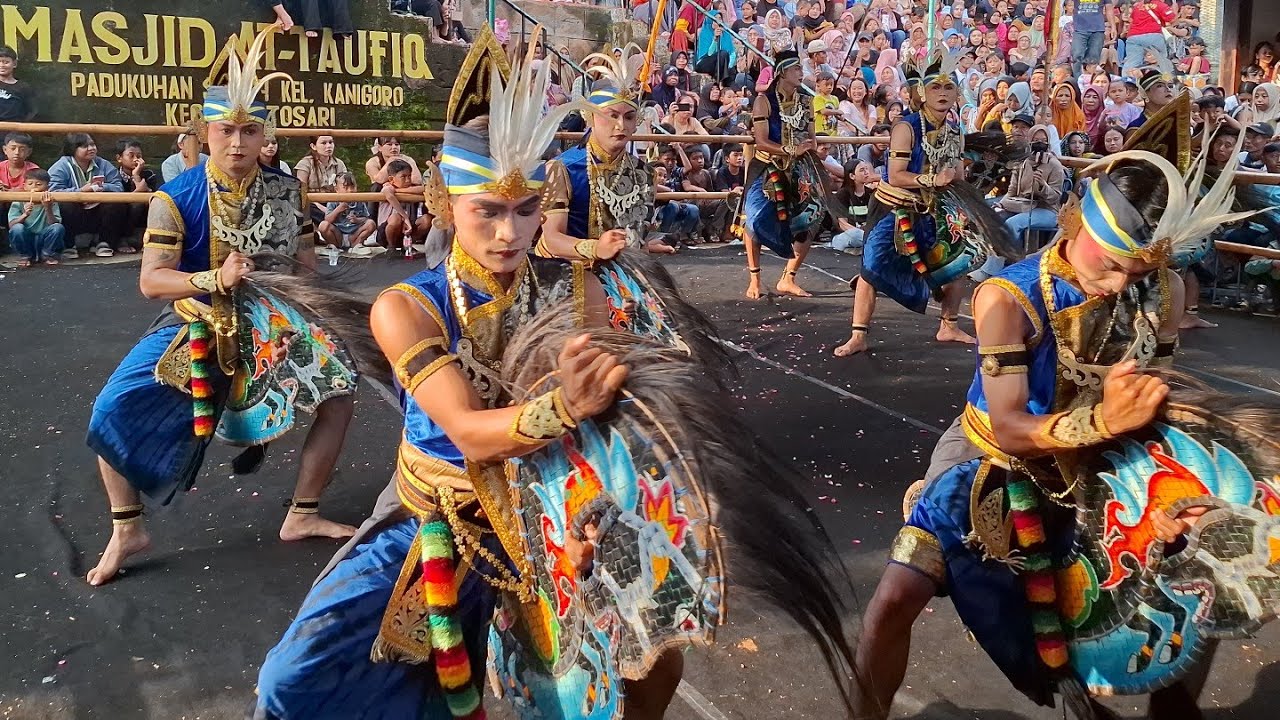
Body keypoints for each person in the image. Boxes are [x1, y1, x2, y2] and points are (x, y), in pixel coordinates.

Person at [850, 143, 1260, 720]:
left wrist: (1177, 485)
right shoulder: (1007, 299)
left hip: (1104, 465)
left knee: (1196, 573)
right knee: (894, 600)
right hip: (987, 460)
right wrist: (1103, 419)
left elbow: (1157, 403)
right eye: (1114, 263)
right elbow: (1012, 427)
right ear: (1077, 220)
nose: (1121, 285)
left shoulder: (1161, 293)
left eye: (1138, 271)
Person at [83, 26, 363, 587]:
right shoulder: (175, 196)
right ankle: (127, 526)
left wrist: (302, 313)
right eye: (225, 129)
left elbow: (304, 265)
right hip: (194, 318)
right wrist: (216, 277)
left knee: (341, 391)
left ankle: (302, 513)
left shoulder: (288, 193)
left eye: (249, 130)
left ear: (267, 134)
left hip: (274, 322)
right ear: (204, 131)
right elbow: (152, 282)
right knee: (109, 409)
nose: (237, 143)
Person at [834, 49, 980, 357]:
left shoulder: (955, 132)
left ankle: (949, 325)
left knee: (958, 262)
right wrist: (931, 181)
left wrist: (968, 198)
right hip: (892, 208)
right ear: (923, 93)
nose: (942, 93)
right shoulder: (906, 128)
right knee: (871, 269)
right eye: (935, 87)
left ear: (957, 93)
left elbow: (957, 175)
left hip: (932, 211)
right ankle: (858, 335)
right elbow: (898, 175)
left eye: (948, 87)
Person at [539, 45, 673, 260]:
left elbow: (634, 235)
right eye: (611, 115)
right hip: (569, 274)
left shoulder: (644, 173)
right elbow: (552, 239)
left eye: (629, 117)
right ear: (589, 117)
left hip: (624, 272)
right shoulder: (562, 169)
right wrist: (595, 249)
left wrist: (642, 246)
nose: (620, 125)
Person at [742, 49, 825, 299]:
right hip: (768, 166)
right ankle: (754, 278)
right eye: (796, 69)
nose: (801, 73)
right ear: (782, 73)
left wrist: (810, 148)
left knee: (811, 217)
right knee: (756, 219)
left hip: (800, 168)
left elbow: (811, 137)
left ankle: (788, 278)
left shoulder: (806, 101)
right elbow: (761, 141)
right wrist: (790, 149)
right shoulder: (764, 101)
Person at [46, 133, 125, 259]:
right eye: (84, 146)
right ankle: (69, 244)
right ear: (72, 149)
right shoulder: (61, 166)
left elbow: (119, 187)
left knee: (114, 202)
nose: (91, 148)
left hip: (99, 212)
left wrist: (102, 188)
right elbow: (53, 190)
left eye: (92, 144)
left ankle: (104, 243)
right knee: (65, 203)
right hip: (74, 214)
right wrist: (80, 191)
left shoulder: (104, 164)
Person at [994, 124, 1066, 250]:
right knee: (994, 218)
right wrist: (1001, 204)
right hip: (1022, 206)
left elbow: (1055, 198)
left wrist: (1043, 186)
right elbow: (1012, 191)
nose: (1040, 144)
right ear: (1029, 141)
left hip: (1047, 210)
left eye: (1044, 141)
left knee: (1013, 223)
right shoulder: (1022, 163)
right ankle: (993, 258)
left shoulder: (1055, 165)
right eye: (1037, 141)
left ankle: (1011, 260)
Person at [7, 169, 63, 267]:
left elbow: (54, 224)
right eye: (30, 184)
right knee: (17, 228)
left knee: (58, 227)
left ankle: (47, 255)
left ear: (47, 187)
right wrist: (24, 215)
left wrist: (47, 208)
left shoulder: (50, 201)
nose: (34, 187)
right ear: (24, 185)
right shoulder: (19, 200)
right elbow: (11, 225)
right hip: (26, 237)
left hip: (43, 237)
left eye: (38, 184)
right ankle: (24, 256)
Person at [294, 134, 348, 227]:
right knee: (307, 206)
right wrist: (319, 205)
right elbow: (300, 191)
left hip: (334, 202)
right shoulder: (305, 163)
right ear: (313, 146)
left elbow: (346, 187)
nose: (328, 146)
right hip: (312, 203)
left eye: (331, 142)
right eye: (324, 143)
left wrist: (335, 207)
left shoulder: (339, 164)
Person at [318, 171, 375, 250]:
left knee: (371, 223)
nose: (350, 190)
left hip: (354, 233)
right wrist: (337, 210)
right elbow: (327, 219)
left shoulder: (359, 200)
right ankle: (333, 245)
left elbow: (366, 218)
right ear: (337, 189)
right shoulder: (333, 200)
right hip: (338, 233)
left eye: (352, 187)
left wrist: (357, 220)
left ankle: (356, 245)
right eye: (346, 187)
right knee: (323, 225)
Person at [831, 159, 875, 253]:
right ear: (852, 176)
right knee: (856, 235)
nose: (866, 172)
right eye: (862, 170)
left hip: (866, 233)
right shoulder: (842, 194)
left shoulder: (871, 194)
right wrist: (863, 234)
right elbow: (842, 224)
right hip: (846, 235)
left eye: (867, 169)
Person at [1124, 0, 1174, 76]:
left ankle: (1126, 83)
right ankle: (1165, 81)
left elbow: (1131, 20)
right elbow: (1172, 18)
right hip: (1153, 35)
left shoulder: (1138, 6)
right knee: (1162, 61)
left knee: (1131, 62)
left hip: (1133, 36)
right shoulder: (1160, 5)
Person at [1070, 0, 1107, 77]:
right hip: (1079, 29)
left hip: (1098, 29)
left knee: (1093, 58)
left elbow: (1109, 8)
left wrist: (1113, 27)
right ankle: (1077, 80)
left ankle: (1090, 80)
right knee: (1077, 55)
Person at [0, 46, 36, 121]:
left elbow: (31, 112)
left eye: (6, 62)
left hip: (15, 129)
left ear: (14, 64)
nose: (2, 65)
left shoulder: (23, 87)